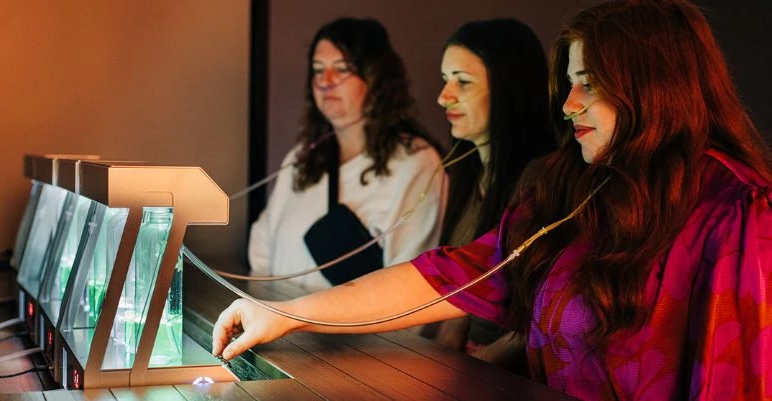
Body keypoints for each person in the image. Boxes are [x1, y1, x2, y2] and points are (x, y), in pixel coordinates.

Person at [215, 1, 772, 399]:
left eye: (591, 84)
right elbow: (453, 277)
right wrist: (285, 313)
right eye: (569, 83)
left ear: (655, 87)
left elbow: (734, 379)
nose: (568, 105)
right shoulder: (574, 189)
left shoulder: (735, 210)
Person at [248, 18, 446, 291]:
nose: (325, 82)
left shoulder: (414, 162)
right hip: (278, 325)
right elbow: (261, 246)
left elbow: (411, 287)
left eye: (341, 70)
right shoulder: (301, 158)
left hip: (358, 332)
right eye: (318, 71)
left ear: (375, 78)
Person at [430, 18, 554, 369]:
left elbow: (537, 321)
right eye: (444, 80)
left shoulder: (541, 180)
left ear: (509, 89)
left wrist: (466, 372)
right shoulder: (469, 171)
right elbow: (457, 291)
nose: (443, 96)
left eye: (463, 82)